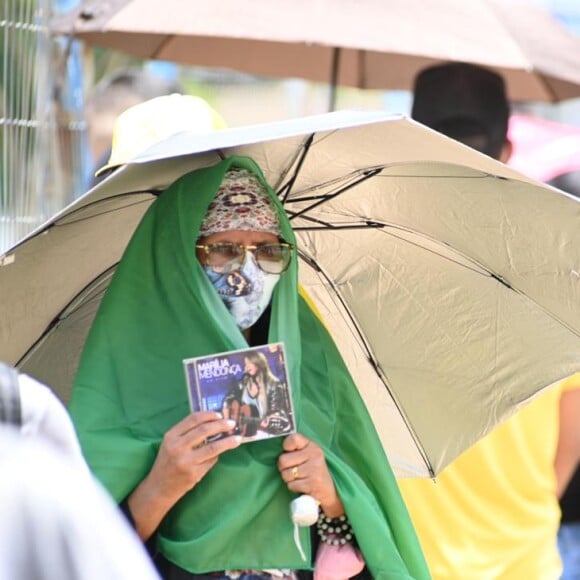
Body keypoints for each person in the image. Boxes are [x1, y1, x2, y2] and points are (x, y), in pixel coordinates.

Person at [68, 157, 430, 579]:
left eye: (269, 250)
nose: (248, 271)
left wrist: (332, 498)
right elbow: (73, 555)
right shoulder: (125, 368)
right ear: (178, 260)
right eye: (223, 250)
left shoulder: (308, 358)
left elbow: (377, 549)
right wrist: (159, 487)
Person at [397, 61, 580, 579]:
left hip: (408, 559)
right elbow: (571, 439)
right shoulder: (566, 268)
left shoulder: (359, 263)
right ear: (507, 152)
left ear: (412, 146)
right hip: (526, 561)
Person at [222, 351, 292, 437]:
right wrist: (232, 407)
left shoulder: (274, 383)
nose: (246, 366)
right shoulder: (244, 381)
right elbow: (229, 397)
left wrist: (267, 421)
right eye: (245, 364)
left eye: (248, 363)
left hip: (265, 433)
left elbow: (278, 412)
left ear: (257, 363)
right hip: (244, 432)